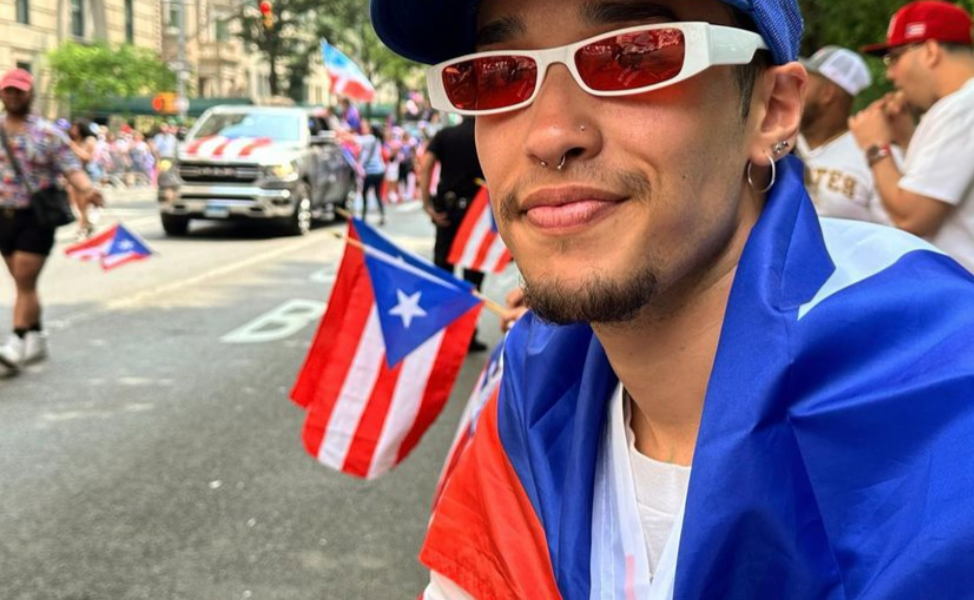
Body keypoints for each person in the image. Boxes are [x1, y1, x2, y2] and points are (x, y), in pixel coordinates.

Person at [371, 0, 974, 598]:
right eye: (495, 74)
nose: (550, 135)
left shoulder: (944, 409)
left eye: (632, 56)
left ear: (772, 110)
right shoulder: (529, 392)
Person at [850, 0, 974, 271]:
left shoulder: (962, 107)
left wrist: (875, 145)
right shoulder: (959, 106)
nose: (891, 74)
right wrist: (906, 139)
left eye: (894, 58)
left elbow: (911, 218)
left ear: (930, 51)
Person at [0, 68, 104, 372]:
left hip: (37, 216)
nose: (13, 96)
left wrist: (89, 189)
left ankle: (16, 342)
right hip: (3, 216)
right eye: (8, 91)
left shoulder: (48, 133)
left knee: (25, 279)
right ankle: (37, 335)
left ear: (31, 94)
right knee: (22, 283)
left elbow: (72, 169)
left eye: (19, 91)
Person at [796, 46, 895, 225]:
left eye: (805, 83)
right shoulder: (778, 143)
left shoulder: (871, 153)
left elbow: (890, 236)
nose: (794, 90)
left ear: (827, 94)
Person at [419, 116, 487, 351]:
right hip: (476, 215)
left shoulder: (444, 135)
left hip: (447, 213)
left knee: (443, 273)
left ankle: (442, 333)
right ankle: (467, 335)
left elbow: (426, 164)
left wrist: (427, 203)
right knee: (473, 278)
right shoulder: (485, 134)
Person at [67, 119, 100, 239]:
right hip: (73, 175)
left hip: (87, 174)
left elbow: (87, 157)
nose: (73, 130)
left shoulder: (89, 140)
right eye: (72, 128)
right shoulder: (72, 141)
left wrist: (73, 147)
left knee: (84, 203)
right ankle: (86, 224)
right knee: (76, 204)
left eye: (75, 128)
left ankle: (83, 227)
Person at [356, 120, 387, 225]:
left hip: (371, 172)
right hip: (380, 171)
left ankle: (363, 217)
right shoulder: (377, 140)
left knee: (365, 194)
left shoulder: (370, 138)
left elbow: (355, 140)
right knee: (377, 194)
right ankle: (382, 215)